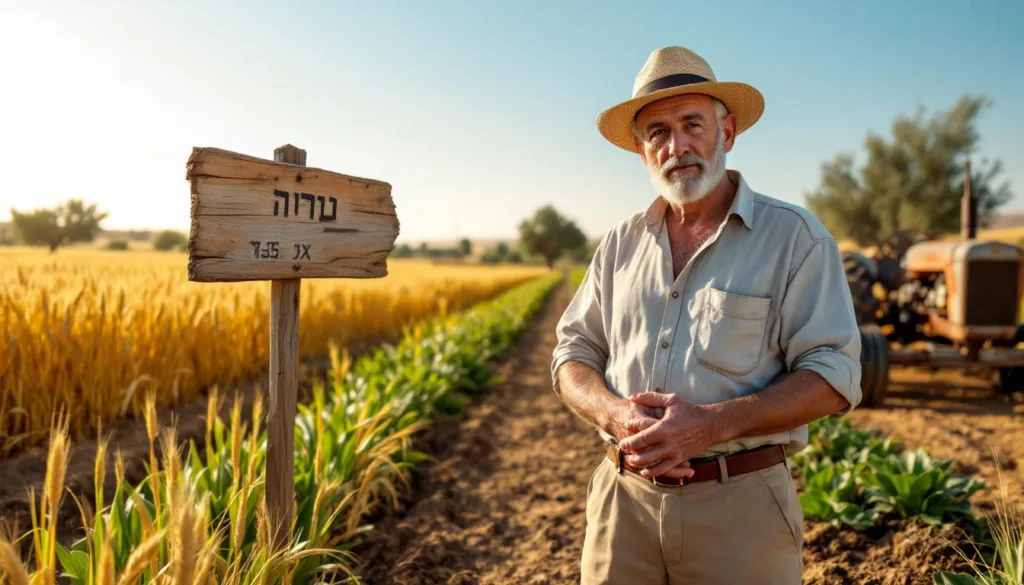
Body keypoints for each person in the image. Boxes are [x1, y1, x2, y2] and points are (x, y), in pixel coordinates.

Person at [550, 45, 863, 584]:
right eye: (658, 132)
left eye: (692, 124)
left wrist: (711, 425)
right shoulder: (619, 245)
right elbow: (573, 353)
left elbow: (835, 375)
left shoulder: (795, 239)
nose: (677, 146)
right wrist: (614, 414)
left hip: (739, 511)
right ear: (641, 151)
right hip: (622, 508)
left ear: (728, 132)